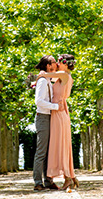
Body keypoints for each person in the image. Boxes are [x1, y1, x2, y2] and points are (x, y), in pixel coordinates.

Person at [38, 54, 79, 190]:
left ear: (65, 64)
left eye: (58, 62)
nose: (56, 65)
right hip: (58, 112)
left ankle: (68, 177)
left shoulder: (64, 75)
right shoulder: (62, 76)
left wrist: (40, 75)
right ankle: (70, 177)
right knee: (61, 145)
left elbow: (45, 76)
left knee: (61, 146)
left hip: (59, 112)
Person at [33, 55, 63, 191]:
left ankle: (48, 180)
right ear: (47, 66)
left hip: (49, 118)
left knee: (49, 151)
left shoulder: (47, 79)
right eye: (53, 62)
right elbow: (38, 101)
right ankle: (38, 182)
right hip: (43, 118)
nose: (56, 64)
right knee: (41, 151)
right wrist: (56, 106)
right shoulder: (43, 82)